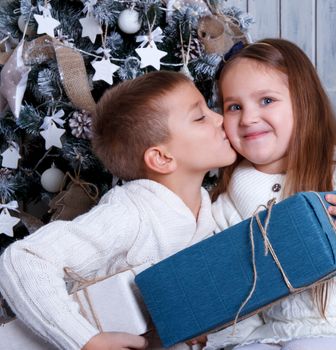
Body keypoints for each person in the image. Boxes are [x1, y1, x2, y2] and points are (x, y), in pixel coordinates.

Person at [205, 39, 336, 350]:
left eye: (266, 100)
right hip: (274, 335)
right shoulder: (226, 202)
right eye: (234, 106)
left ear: (304, 103)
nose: (248, 117)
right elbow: (238, 305)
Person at [0, 71, 236, 350]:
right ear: (161, 157)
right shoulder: (130, 213)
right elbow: (24, 259)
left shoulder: (209, 215)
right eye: (200, 117)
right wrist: (85, 340)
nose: (220, 118)